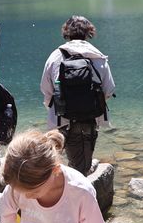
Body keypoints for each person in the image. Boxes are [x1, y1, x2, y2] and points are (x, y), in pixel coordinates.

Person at [41, 16, 115, 176]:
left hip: (60, 120)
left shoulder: (55, 56)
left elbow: (46, 89)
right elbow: (108, 90)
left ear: (66, 33)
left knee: (55, 165)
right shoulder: (98, 57)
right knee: (81, 169)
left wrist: (54, 108)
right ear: (89, 32)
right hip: (88, 120)